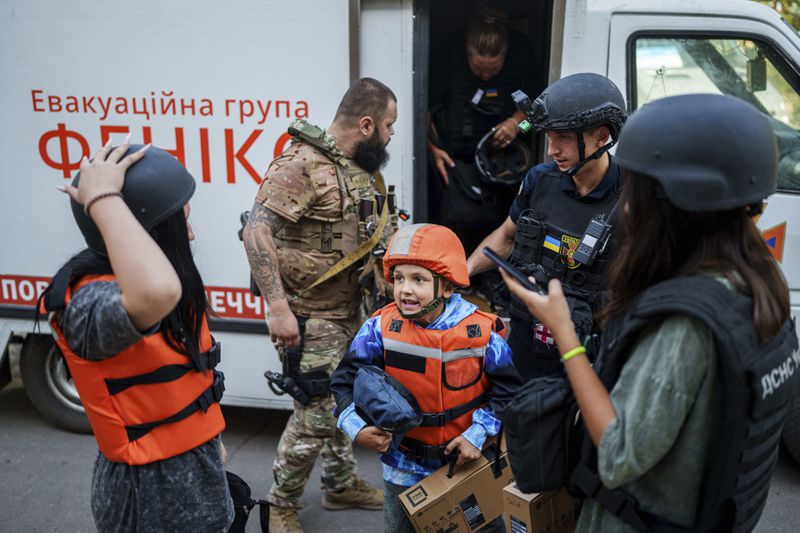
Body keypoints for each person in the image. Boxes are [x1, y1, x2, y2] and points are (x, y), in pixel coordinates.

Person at [502, 94, 798, 532]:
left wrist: (565, 335)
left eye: (635, 192)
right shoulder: (757, 281)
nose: (625, 206)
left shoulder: (684, 325)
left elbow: (619, 455)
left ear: (673, 203)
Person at [39, 139, 233, 532]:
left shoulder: (145, 290)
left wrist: (206, 444)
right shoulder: (91, 303)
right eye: (182, 223)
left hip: (200, 478)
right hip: (147, 499)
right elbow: (157, 291)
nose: (191, 235)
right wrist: (104, 198)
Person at [242, 78, 396, 533]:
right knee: (315, 413)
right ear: (365, 124)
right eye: (388, 126)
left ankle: (340, 483)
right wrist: (278, 308)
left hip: (350, 313)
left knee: (341, 402)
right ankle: (280, 506)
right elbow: (257, 232)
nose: (390, 135)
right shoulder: (302, 165)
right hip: (308, 317)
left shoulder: (358, 169)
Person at [330, 223, 522, 533]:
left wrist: (477, 434)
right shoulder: (380, 328)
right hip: (402, 468)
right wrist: (357, 428)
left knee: (480, 527)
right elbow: (342, 383)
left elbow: (509, 391)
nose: (405, 289)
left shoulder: (482, 334)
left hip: (466, 464)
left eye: (419, 280)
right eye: (399, 278)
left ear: (447, 287)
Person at [466, 72, 628, 381]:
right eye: (550, 137)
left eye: (563, 138)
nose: (552, 150)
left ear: (602, 136)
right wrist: (462, 270)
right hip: (526, 347)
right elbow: (507, 236)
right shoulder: (540, 180)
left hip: (589, 359)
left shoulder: (633, 199)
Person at [428, 10, 540, 258]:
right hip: (453, 158)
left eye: (493, 70)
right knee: (454, 224)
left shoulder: (522, 54)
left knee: (500, 221)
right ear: (468, 54)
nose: (486, 76)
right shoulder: (448, 55)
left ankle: (489, 278)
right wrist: (432, 149)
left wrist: (515, 123)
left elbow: (535, 118)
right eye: (478, 69)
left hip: (504, 161)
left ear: (506, 56)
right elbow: (424, 109)